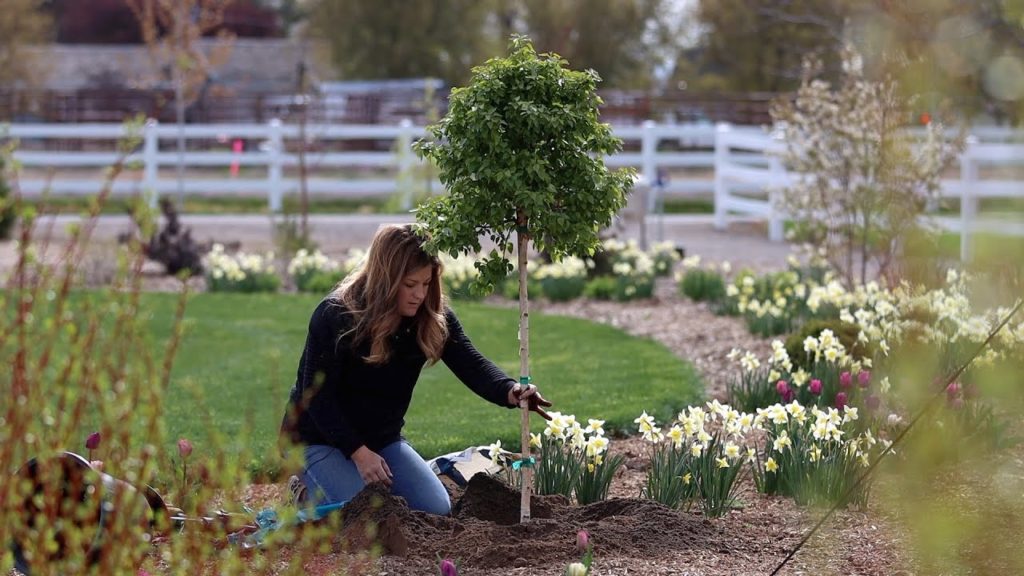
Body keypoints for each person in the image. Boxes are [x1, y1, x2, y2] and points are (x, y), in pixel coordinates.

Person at [280, 224, 552, 516]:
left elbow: (470, 363)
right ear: (385, 279)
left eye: (426, 283)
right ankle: (302, 491)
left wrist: (510, 391)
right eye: (410, 285)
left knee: (436, 509)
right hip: (315, 439)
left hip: (382, 440)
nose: (419, 295)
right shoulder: (336, 315)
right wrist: (359, 453)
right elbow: (316, 399)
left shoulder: (430, 318)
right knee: (363, 515)